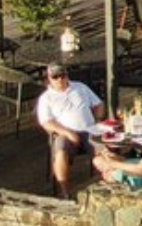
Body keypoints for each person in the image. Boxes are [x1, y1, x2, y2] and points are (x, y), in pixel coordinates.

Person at [36, 63, 103, 199]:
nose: (60, 79)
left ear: (67, 75)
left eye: (62, 75)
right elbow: (46, 122)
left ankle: (100, 187)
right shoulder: (46, 98)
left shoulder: (80, 87)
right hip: (64, 133)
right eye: (55, 77)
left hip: (89, 129)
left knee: (103, 150)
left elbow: (99, 104)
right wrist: (67, 133)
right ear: (49, 78)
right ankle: (65, 192)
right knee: (60, 153)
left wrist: (97, 120)